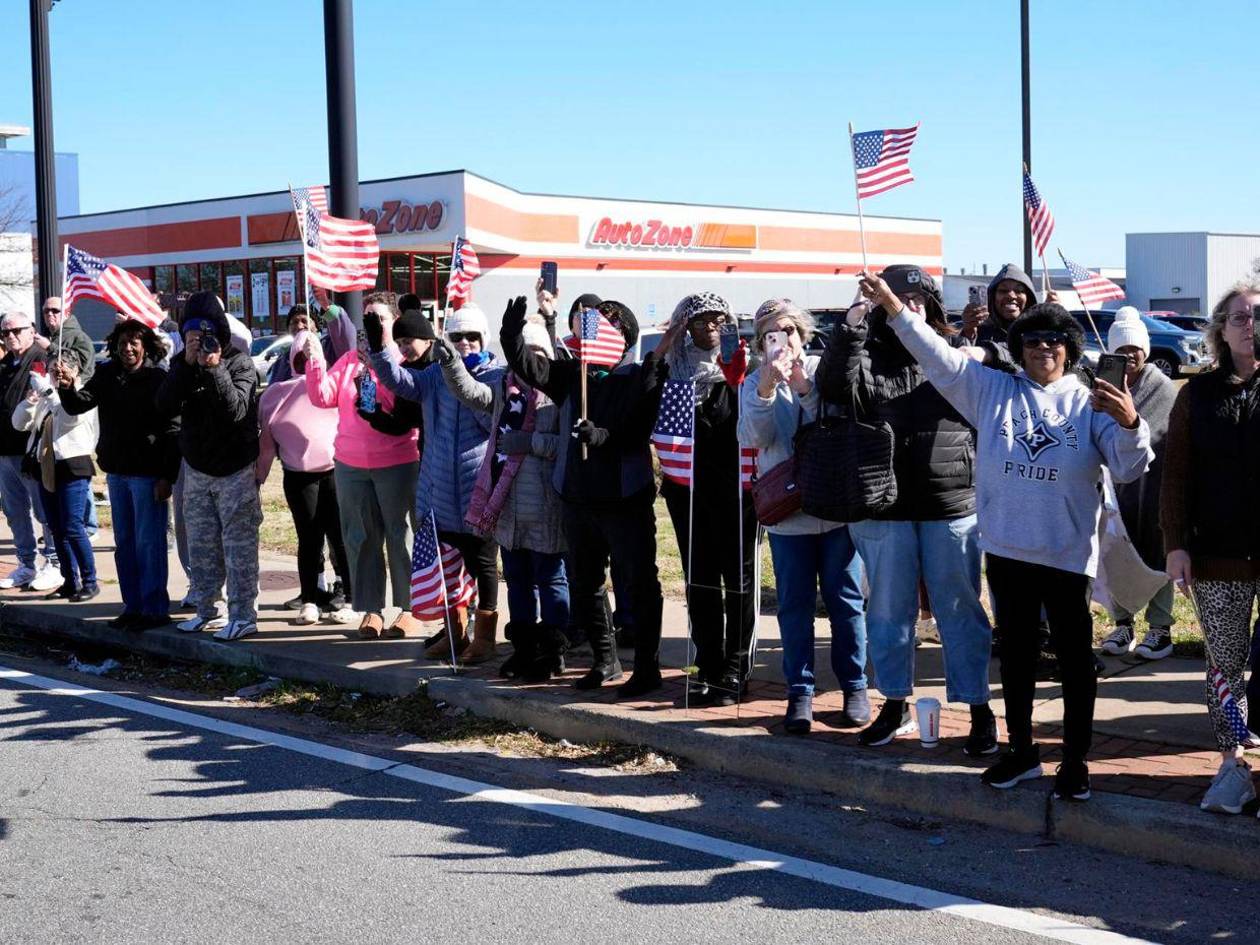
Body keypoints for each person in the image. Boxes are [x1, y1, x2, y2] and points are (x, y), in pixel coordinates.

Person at [860, 273, 1151, 802]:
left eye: (1055, 340)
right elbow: (937, 356)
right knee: (1015, 658)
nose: (1044, 348)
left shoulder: (1092, 403)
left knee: (1073, 660)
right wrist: (894, 309)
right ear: (1018, 347)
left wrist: (1132, 422)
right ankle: (1021, 751)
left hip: (1067, 557)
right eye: (1034, 340)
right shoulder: (991, 390)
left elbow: (1130, 468)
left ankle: (1075, 760)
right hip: (1007, 551)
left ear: (1070, 348)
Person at [817, 266, 996, 754]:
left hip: (951, 502)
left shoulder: (954, 352)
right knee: (888, 614)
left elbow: (997, 369)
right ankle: (893, 704)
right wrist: (854, 324)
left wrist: (983, 345)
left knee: (960, 611)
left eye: (921, 297)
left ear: (933, 306)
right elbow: (834, 386)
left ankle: (979, 709)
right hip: (883, 506)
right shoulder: (866, 352)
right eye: (900, 297)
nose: (911, 304)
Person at [503, 294, 678, 697]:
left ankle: (646, 669)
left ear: (624, 338)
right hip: (576, 498)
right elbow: (532, 368)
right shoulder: (572, 374)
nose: (594, 333)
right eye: (590, 326)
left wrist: (602, 436)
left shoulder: (637, 376)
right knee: (586, 584)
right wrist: (511, 335)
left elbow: (638, 430)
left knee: (638, 583)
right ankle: (605, 660)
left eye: (607, 326)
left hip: (624, 498)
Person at [738, 299, 869, 734]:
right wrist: (766, 389)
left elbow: (832, 426)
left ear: (804, 333)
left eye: (791, 330)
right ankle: (800, 692)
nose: (785, 341)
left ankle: (855, 686)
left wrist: (804, 389)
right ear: (761, 343)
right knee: (794, 606)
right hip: (788, 513)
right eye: (773, 334)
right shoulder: (756, 380)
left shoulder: (820, 368)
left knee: (845, 601)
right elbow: (757, 437)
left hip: (832, 507)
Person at [1161, 279, 1260, 815]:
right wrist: (1175, 544)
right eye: (1240, 317)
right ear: (1221, 330)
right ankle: (1231, 761)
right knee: (1225, 662)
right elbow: (1175, 475)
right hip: (1215, 552)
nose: (1251, 326)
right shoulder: (1196, 394)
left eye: (1258, 317)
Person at [430, 309, 570, 681]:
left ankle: (553, 651)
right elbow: (469, 392)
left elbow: (567, 445)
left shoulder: (558, 395)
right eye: (525, 354)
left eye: (538, 355)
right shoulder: (504, 390)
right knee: (520, 583)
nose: (530, 363)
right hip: (506, 505)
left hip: (545, 505)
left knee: (552, 581)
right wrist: (450, 363)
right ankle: (524, 650)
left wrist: (532, 442)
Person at [368, 298, 503, 660]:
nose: (465, 343)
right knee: (446, 567)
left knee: (483, 566)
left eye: (472, 336)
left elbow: (480, 408)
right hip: (440, 488)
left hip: (476, 488)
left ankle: (485, 640)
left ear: (484, 338)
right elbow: (401, 381)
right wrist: (380, 351)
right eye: (457, 336)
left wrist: (454, 367)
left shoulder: (493, 374)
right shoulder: (435, 374)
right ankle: (455, 633)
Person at [659, 292, 759, 706]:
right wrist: (669, 340)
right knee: (699, 579)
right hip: (688, 489)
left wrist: (737, 383)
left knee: (737, 579)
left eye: (719, 319)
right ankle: (708, 661)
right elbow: (647, 389)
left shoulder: (743, 367)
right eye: (700, 321)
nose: (711, 328)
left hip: (737, 491)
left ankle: (736, 665)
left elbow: (759, 418)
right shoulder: (672, 369)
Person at [303, 293, 419, 640]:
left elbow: (405, 409)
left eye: (379, 318)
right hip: (351, 466)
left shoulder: (400, 360)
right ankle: (371, 609)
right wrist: (315, 361)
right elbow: (322, 396)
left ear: (393, 322)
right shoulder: (350, 361)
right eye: (366, 317)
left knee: (402, 536)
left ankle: (409, 608)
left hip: (397, 462)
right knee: (361, 537)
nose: (370, 323)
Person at [57, 319, 179, 627]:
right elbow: (77, 406)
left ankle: (154, 609)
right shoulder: (107, 374)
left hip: (148, 475)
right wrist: (67, 387)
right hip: (117, 474)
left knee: (149, 544)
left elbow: (172, 430)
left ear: (144, 346)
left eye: (134, 342)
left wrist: (167, 476)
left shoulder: (157, 379)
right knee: (124, 543)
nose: (128, 348)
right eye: (123, 343)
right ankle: (133, 607)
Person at [156, 292, 263, 641]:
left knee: (239, 546)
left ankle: (243, 615)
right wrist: (185, 366)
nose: (197, 344)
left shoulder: (239, 363)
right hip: (197, 468)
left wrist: (215, 367)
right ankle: (205, 609)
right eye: (190, 338)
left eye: (202, 338)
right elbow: (164, 406)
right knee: (201, 544)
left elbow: (236, 411)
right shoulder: (180, 366)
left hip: (235, 469)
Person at [1097, 306, 1178, 661]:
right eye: (1122, 349)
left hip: (1156, 486)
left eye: (1135, 349)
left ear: (1145, 349)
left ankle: (1160, 628)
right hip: (1115, 488)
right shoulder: (1103, 385)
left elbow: (1166, 434)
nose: (1129, 355)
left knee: (1155, 554)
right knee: (1116, 552)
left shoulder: (1161, 387)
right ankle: (1123, 623)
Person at [257, 329, 352, 626]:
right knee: (308, 539)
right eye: (300, 356)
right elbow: (266, 447)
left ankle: (350, 597)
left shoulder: (333, 388)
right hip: (299, 477)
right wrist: (257, 480)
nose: (305, 361)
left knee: (341, 537)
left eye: (310, 356)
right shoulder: (274, 394)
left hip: (336, 471)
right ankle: (310, 598)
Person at [12, 348, 100, 601]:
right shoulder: (47, 396)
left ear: (73, 372)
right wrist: (30, 403)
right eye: (52, 371)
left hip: (72, 465)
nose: (55, 376)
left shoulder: (80, 395)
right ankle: (69, 581)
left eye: (60, 371)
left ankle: (90, 581)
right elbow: (19, 424)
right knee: (55, 528)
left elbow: (68, 418)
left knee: (73, 526)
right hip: (46, 466)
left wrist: (52, 391)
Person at [0, 311, 61, 591]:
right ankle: (26, 564)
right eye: (5, 333)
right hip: (4, 450)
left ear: (31, 330)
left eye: (16, 330)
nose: (10, 336)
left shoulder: (40, 359)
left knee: (43, 510)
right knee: (15, 511)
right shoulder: (5, 364)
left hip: (31, 450)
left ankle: (54, 562)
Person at [41, 297, 95, 384]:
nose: (50, 314)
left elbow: (83, 367)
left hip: (69, 392)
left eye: (55, 310)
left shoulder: (79, 337)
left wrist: (50, 347)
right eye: (46, 311)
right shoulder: (44, 337)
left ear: (67, 313)